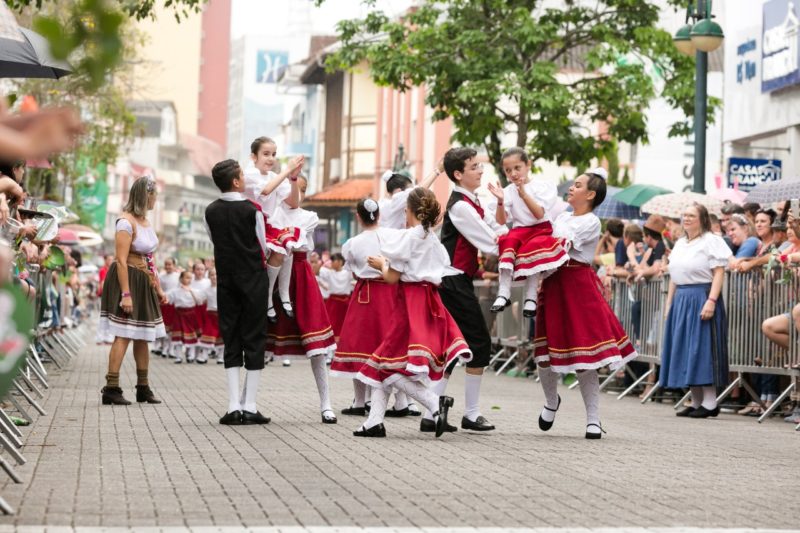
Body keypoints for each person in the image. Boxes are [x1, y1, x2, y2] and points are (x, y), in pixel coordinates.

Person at [355, 188, 471, 438]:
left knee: (387, 363)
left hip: (409, 303)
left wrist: (381, 265)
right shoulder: (431, 239)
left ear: (411, 211)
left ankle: (433, 402)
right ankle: (374, 422)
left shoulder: (408, 239)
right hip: (428, 301)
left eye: (405, 211)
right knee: (386, 361)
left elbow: (392, 279)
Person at [534, 169, 637, 439]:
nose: (571, 187)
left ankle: (593, 418)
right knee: (545, 354)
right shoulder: (562, 216)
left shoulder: (591, 222)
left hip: (578, 285)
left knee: (585, 354)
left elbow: (560, 247)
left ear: (590, 194)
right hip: (554, 284)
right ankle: (550, 400)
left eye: (577, 185)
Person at [434, 147, 508, 433]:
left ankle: (432, 411)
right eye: (474, 166)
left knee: (455, 347)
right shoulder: (461, 206)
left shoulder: (473, 201)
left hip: (456, 280)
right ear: (458, 174)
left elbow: (497, 229)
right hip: (452, 280)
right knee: (476, 342)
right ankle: (471, 413)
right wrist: (519, 250)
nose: (480, 170)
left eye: (479, 165)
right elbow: (490, 242)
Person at [265, 175, 338, 424]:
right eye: (295, 187)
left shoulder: (309, 217)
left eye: (303, 189)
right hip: (275, 280)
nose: (298, 193)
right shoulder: (272, 214)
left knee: (316, 346)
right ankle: (245, 401)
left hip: (301, 276)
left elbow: (293, 243)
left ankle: (326, 403)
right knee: (260, 343)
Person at [205, 159, 272, 425]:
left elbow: (213, 240)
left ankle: (233, 405)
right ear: (235, 181)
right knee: (255, 337)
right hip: (254, 278)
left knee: (230, 336)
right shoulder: (252, 209)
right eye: (242, 174)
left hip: (227, 279)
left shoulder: (210, 211)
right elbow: (263, 245)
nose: (244, 177)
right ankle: (250, 405)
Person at [331, 199, 403, 415]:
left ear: (358, 217)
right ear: (379, 215)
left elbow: (352, 269)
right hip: (391, 293)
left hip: (365, 295)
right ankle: (396, 402)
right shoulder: (392, 236)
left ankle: (360, 402)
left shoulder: (353, 243)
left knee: (359, 346)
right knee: (389, 345)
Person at [97, 176, 165, 405]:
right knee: (124, 333)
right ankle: (111, 387)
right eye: (154, 195)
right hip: (127, 280)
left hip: (143, 280)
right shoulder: (125, 222)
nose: (155, 200)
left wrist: (158, 287)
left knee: (143, 335)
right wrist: (126, 294)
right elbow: (121, 260)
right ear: (145, 196)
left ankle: (143, 387)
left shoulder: (144, 221)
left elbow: (149, 258)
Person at [660, 203, 732, 419]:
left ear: (702, 219)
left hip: (701, 295)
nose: (686, 219)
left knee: (701, 348)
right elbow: (674, 275)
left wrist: (711, 300)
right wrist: (669, 304)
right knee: (684, 348)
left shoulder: (711, 241)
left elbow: (719, 272)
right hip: (682, 297)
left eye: (691, 215)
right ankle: (697, 400)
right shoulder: (681, 243)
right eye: (684, 215)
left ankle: (710, 402)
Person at [487, 147, 567, 318]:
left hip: (540, 228)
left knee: (534, 249)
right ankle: (503, 292)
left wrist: (523, 194)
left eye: (517, 168)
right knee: (506, 241)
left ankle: (531, 297)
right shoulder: (507, 191)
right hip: (520, 231)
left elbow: (539, 214)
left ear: (528, 165)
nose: (513, 174)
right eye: (508, 170)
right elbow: (501, 221)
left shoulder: (541, 186)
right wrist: (500, 201)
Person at [242, 136, 306, 323]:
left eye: (274, 154)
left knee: (286, 247)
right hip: (250, 224)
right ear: (253, 156)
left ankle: (271, 295)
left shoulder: (274, 176)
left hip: (267, 224)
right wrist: (287, 171)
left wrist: (293, 178)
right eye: (266, 154)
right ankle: (268, 298)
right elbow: (266, 191)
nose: (271, 158)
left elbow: (294, 202)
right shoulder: (249, 174)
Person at [378, 164, 442, 230]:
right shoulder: (394, 202)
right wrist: (437, 171)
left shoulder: (383, 203)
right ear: (398, 192)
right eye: (408, 191)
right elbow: (418, 191)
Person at [167, 271, 203, 364]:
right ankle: (178, 356)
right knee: (178, 336)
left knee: (191, 335)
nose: (189, 280)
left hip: (191, 315)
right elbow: (168, 300)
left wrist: (191, 291)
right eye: (187, 277)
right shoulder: (175, 291)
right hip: (179, 314)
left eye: (190, 278)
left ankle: (190, 355)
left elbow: (199, 302)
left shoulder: (194, 290)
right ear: (181, 278)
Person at [319, 253, 353, 345]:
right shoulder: (329, 272)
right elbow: (319, 270)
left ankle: (341, 346)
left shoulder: (348, 273)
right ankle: (329, 348)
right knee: (330, 324)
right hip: (332, 302)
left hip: (344, 303)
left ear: (340, 261)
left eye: (333, 261)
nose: (331, 263)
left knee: (344, 325)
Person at [154, 257, 179, 357]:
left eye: (170, 264)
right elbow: (158, 290)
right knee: (164, 328)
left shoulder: (178, 276)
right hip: (164, 304)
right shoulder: (161, 276)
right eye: (166, 264)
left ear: (174, 265)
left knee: (173, 328)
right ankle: (163, 347)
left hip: (174, 305)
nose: (168, 266)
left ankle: (171, 348)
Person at [198, 268, 222, 364]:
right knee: (207, 333)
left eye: (216, 274)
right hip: (210, 315)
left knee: (222, 335)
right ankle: (204, 355)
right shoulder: (206, 289)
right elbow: (200, 300)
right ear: (209, 277)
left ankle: (221, 356)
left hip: (221, 315)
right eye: (212, 275)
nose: (214, 277)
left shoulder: (223, 288)